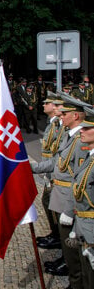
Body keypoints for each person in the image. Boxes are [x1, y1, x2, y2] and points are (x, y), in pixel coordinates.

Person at [31, 94, 91, 285]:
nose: (61, 115)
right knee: (70, 251)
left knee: (75, 257)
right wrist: (28, 167)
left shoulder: (81, 143)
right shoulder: (70, 137)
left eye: (65, 113)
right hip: (62, 194)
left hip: (70, 201)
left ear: (75, 116)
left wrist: (71, 210)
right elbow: (57, 163)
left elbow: (80, 182)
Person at [35, 92, 64, 260]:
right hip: (49, 170)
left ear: (54, 107)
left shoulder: (59, 127)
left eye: (47, 103)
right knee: (48, 202)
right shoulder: (52, 124)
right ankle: (55, 234)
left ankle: (58, 237)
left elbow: (58, 155)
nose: (44, 105)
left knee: (52, 205)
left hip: (54, 172)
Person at [71, 106, 94, 287]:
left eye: (87, 128)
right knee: (86, 276)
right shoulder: (89, 157)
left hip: (91, 231)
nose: (82, 130)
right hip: (83, 226)